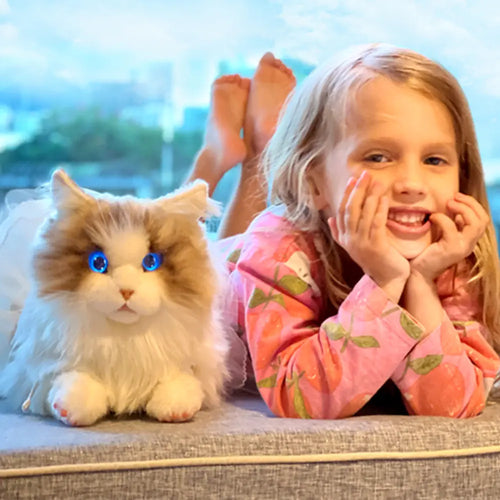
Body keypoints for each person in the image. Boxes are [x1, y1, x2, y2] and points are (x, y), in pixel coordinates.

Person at [188, 46, 500, 419]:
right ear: (314, 183)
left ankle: (262, 142)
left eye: (434, 159)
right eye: (378, 157)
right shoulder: (277, 247)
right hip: (226, 283)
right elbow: (298, 397)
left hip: (261, 248)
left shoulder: (448, 253)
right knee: (181, 242)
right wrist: (385, 281)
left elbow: (451, 405)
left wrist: (420, 283)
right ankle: (222, 156)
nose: (413, 184)